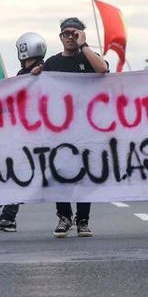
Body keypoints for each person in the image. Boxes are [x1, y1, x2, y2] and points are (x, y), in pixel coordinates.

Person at [34, 17, 108, 238]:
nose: (70, 37)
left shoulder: (90, 58)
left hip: (86, 129)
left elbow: (102, 69)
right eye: (66, 33)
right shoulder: (52, 63)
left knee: (85, 174)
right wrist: (36, 74)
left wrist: (84, 46)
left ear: (82, 35)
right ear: (60, 37)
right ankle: (64, 216)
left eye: (75, 33)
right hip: (59, 130)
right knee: (61, 174)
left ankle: (83, 220)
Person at [0, 32, 47, 233]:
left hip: (37, 134)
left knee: (19, 174)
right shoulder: (24, 75)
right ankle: (6, 208)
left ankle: (8, 216)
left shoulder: (46, 71)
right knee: (15, 172)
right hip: (26, 133)